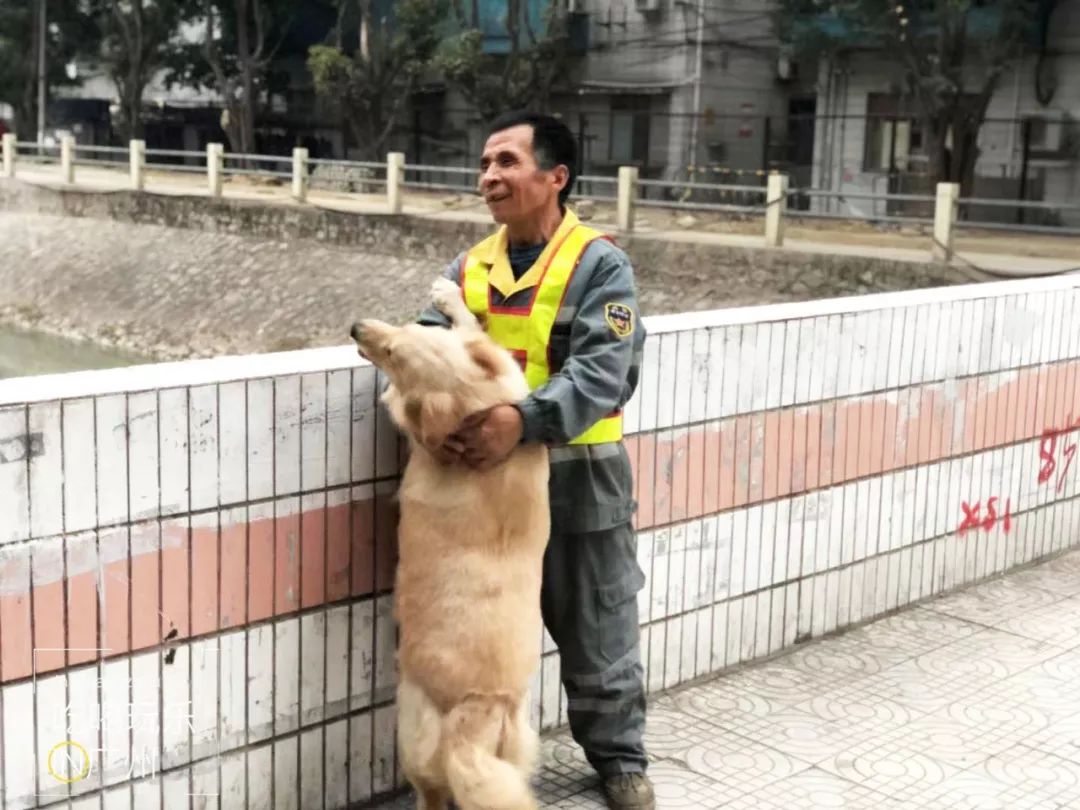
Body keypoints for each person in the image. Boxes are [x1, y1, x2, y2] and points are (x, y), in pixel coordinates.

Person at [417, 111, 654, 810]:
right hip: (489, 488)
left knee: (597, 628)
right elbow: (430, 347)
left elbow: (604, 373)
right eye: (486, 163)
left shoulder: (599, 263)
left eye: (508, 162)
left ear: (556, 177)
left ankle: (620, 761)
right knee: (484, 635)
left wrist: (520, 420)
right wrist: (428, 412)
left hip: (581, 478)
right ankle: (480, 767)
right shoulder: (468, 268)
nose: (490, 176)